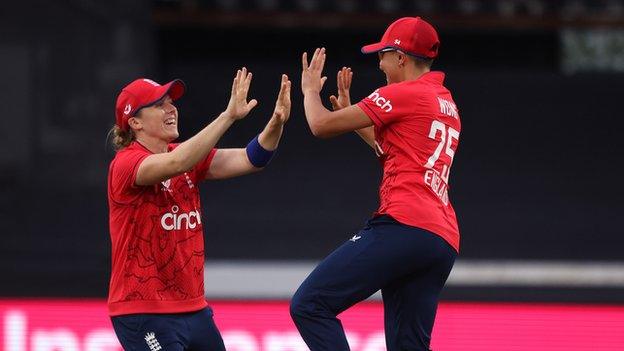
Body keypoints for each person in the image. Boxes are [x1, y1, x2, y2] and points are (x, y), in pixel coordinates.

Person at [290, 17, 460, 351]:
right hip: (440, 239)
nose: (379, 63)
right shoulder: (445, 102)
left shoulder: (402, 93)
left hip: (404, 224)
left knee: (310, 305)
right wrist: (356, 118)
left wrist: (310, 91)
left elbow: (320, 125)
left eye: (382, 54)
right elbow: (396, 149)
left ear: (400, 57)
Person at [107, 68, 291, 351]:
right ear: (135, 123)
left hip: (194, 311)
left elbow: (252, 158)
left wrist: (276, 123)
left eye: (171, 102)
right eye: (159, 105)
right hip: (144, 311)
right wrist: (228, 115)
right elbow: (175, 163)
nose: (171, 109)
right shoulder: (126, 164)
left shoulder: (186, 157)